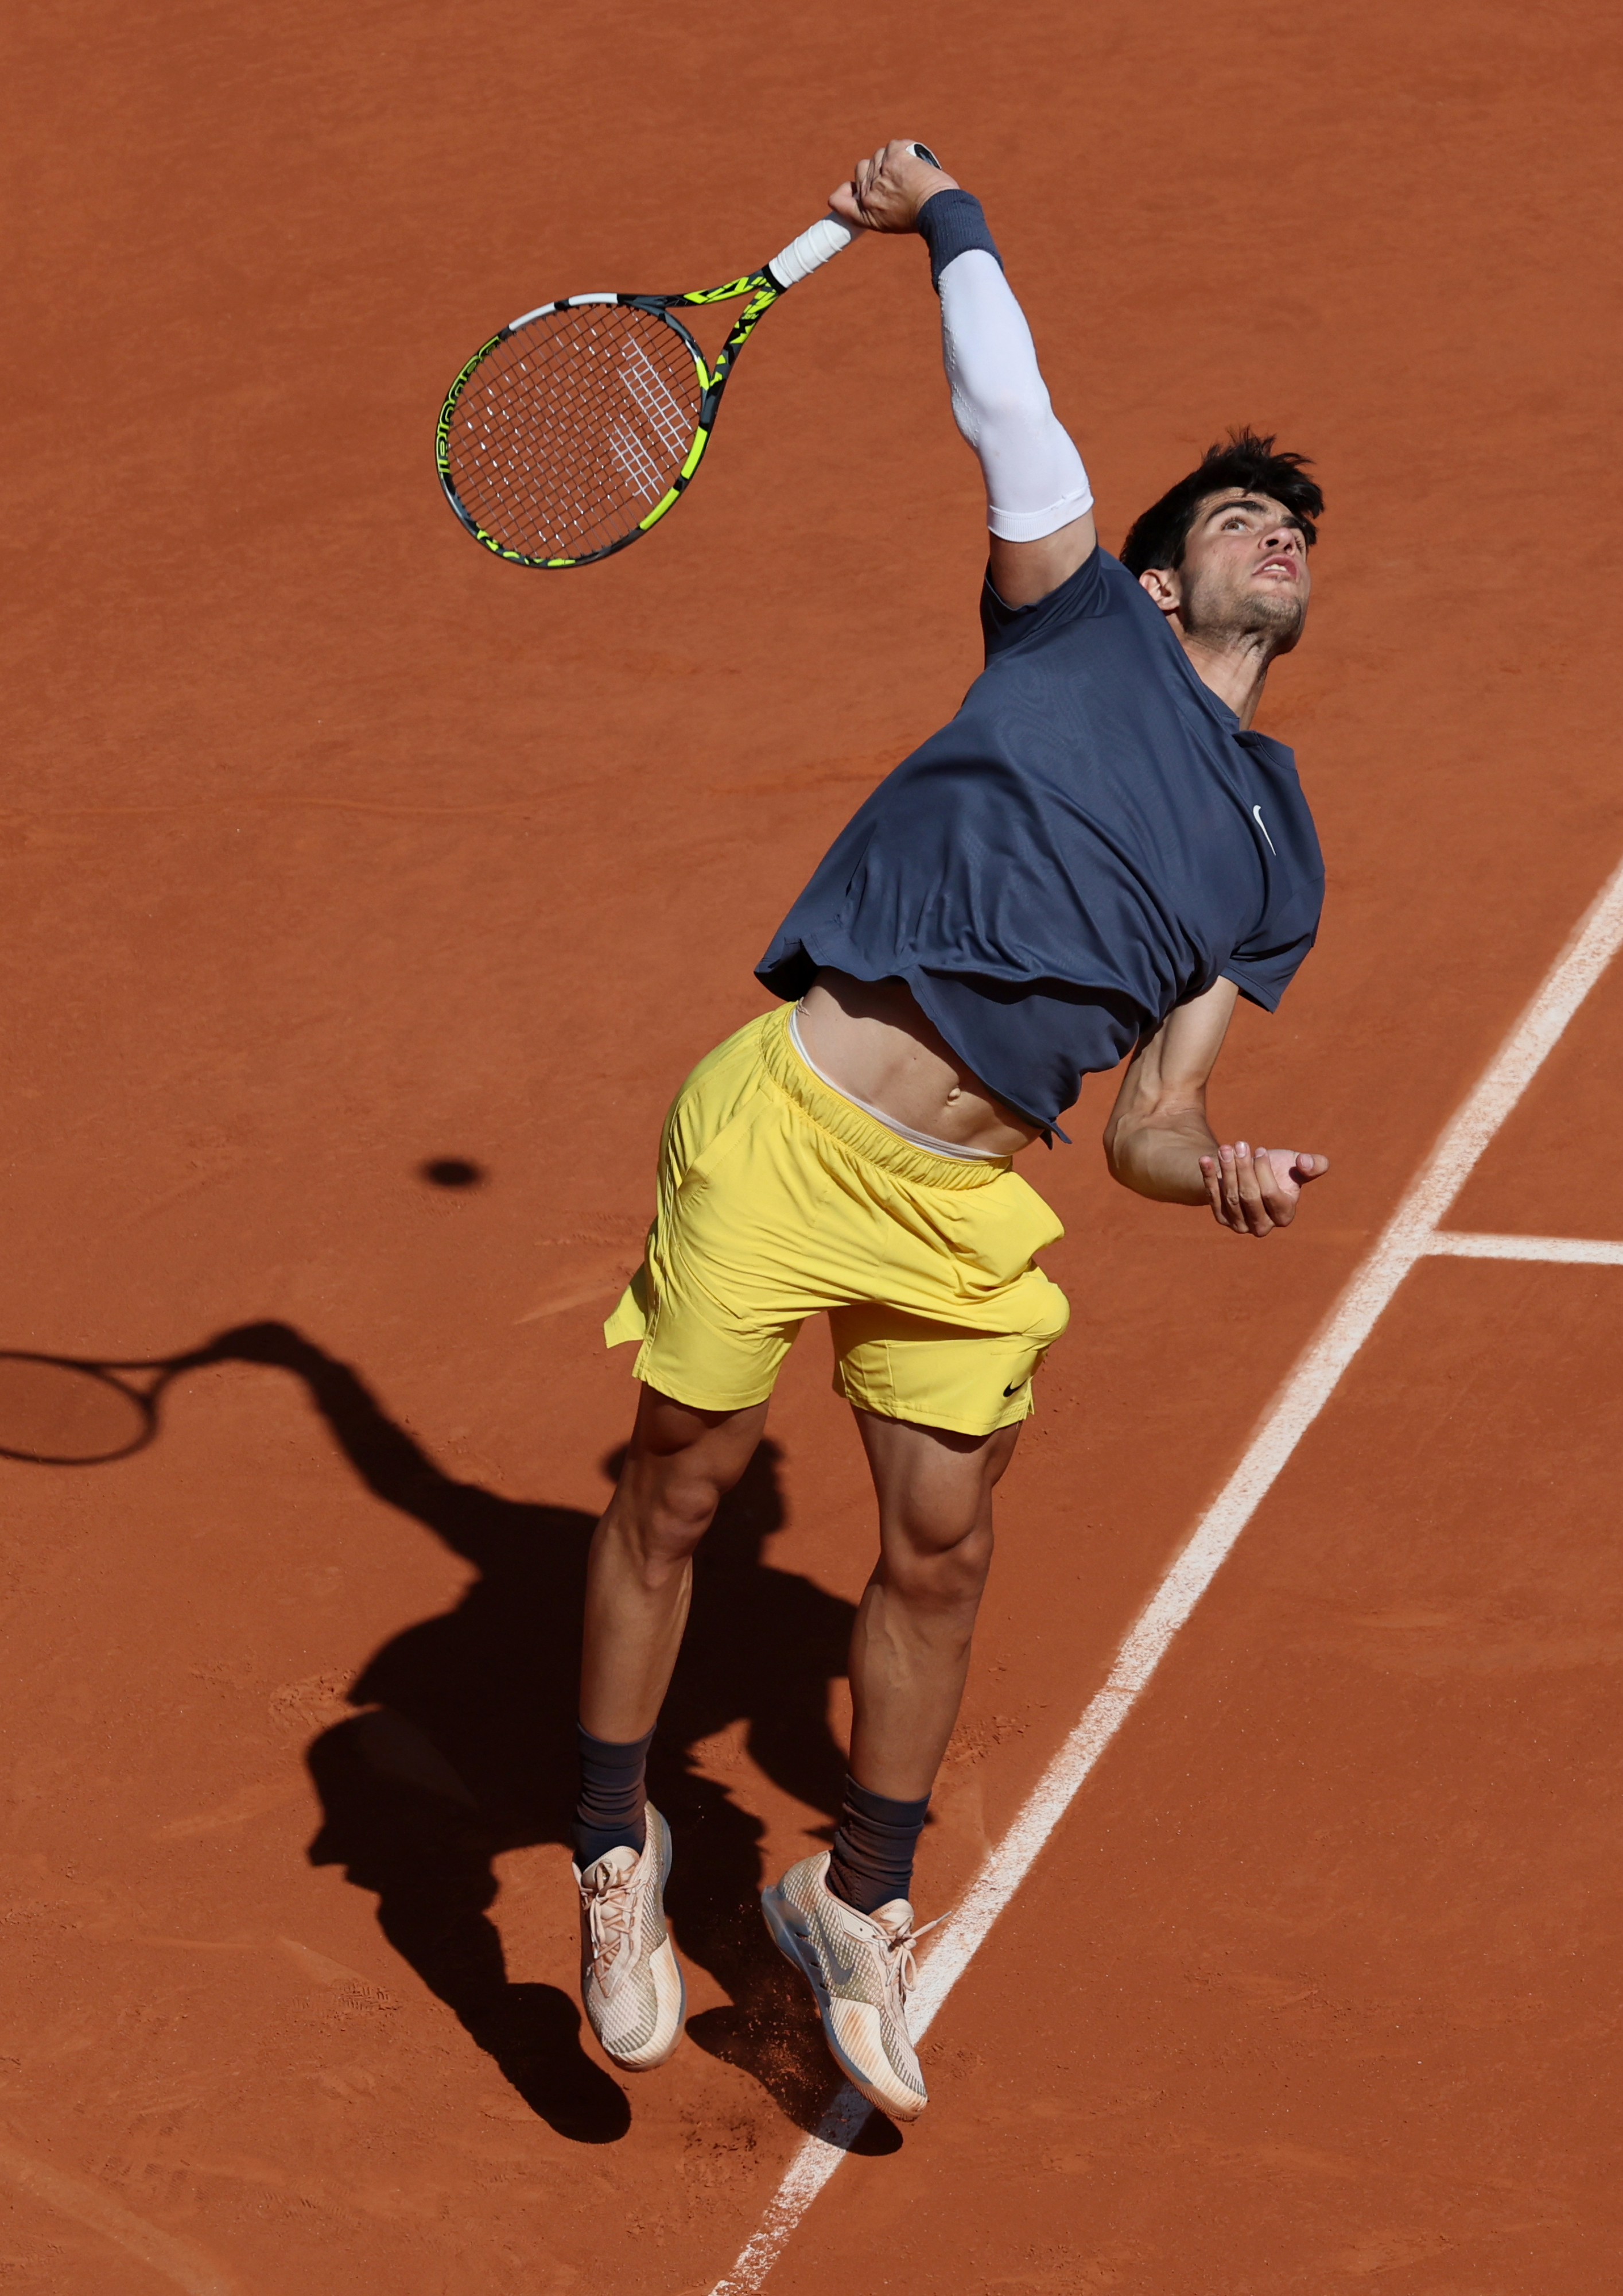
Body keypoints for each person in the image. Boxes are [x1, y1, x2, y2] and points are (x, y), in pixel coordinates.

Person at [570, 139, 1331, 2123]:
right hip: (789, 1123)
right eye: (1244, 518)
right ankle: (612, 1851)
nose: (1281, 541)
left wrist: (1216, 1168)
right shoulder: (1069, 623)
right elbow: (1010, 405)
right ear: (1159, 569)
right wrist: (951, 216)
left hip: (960, 1203)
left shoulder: (1277, 848)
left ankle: (855, 1900)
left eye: (1297, 536)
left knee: (940, 1552)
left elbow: (1147, 1127)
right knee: (674, 1485)